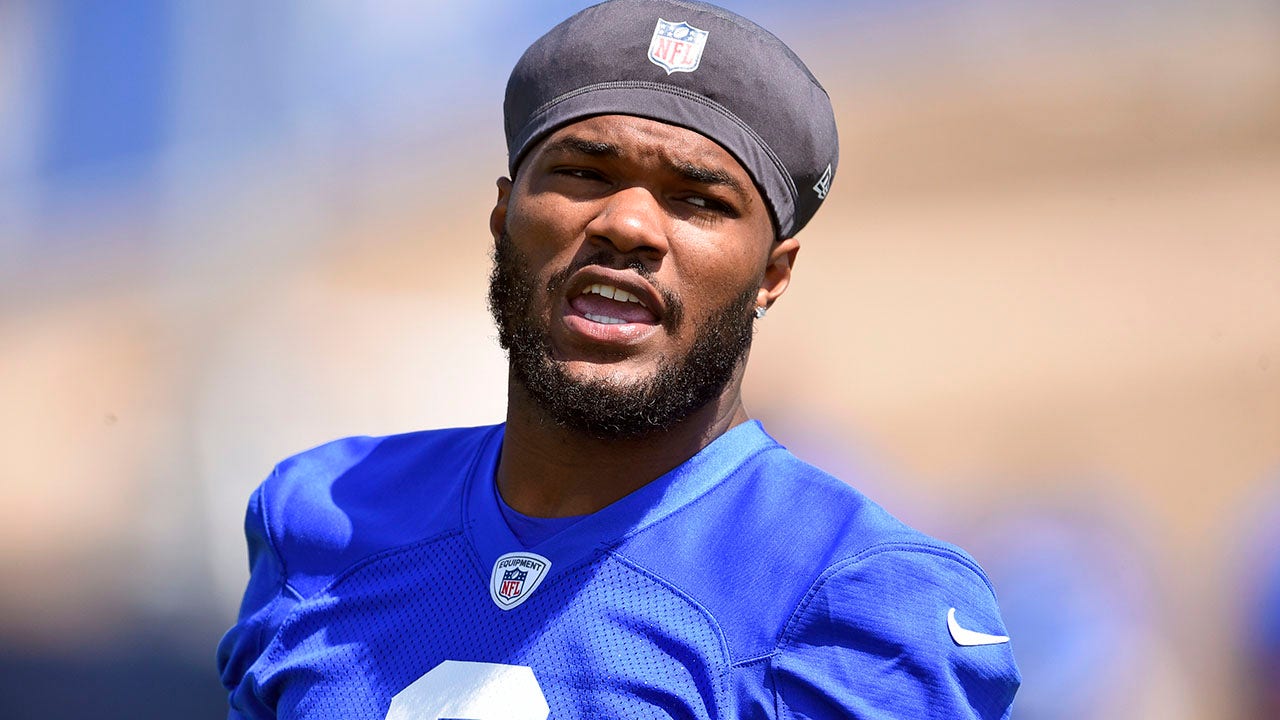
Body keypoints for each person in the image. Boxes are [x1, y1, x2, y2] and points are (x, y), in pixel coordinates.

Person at [217, 1, 1021, 718]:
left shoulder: (855, 597)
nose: (628, 224)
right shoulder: (328, 516)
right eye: (583, 173)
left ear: (771, 276)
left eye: (699, 198)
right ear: (503, 214)